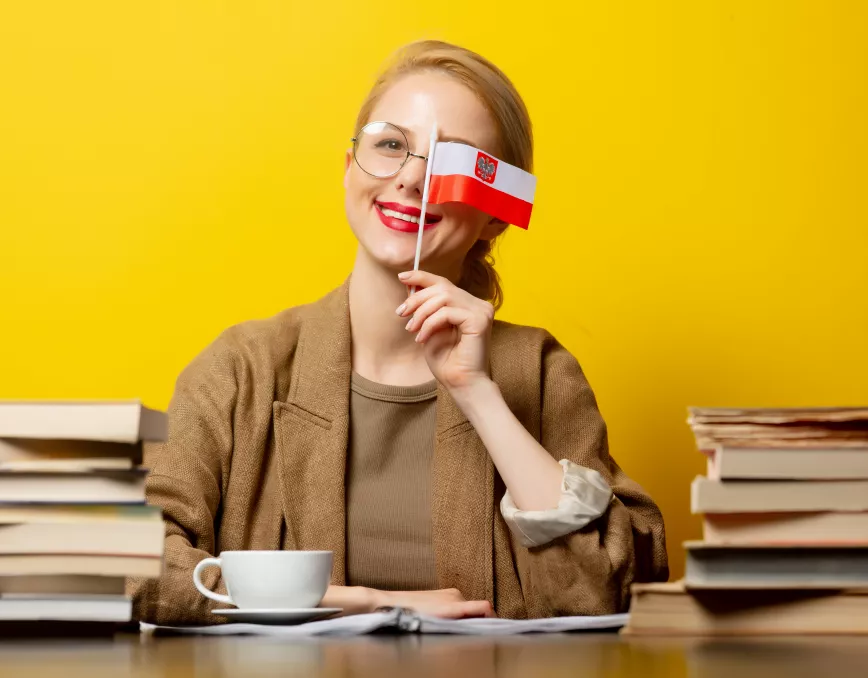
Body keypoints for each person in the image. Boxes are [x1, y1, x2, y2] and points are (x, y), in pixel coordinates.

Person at [130, 40, 668, 624]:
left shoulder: (539, 372)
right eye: (390, 145)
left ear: (494, 212)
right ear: (348, 169)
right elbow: (131, 564)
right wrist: (360, 605)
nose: (412, 179)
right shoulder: (241, 368)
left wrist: (478, 393)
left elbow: (613, 590)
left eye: (451, 164)